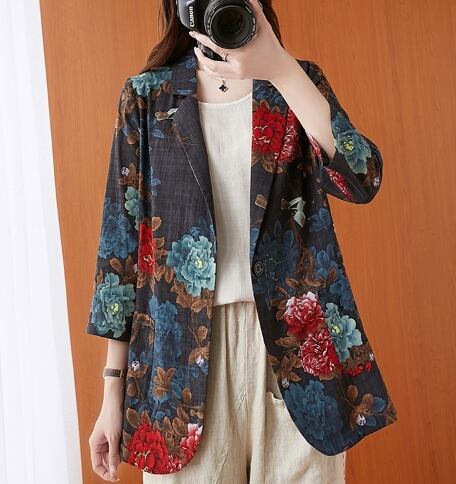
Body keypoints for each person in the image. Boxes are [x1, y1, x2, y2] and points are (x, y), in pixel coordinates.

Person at [87, 0, 397, 482]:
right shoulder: (147, 98)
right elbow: (120, 252)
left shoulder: (296, 84)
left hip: (295, 353)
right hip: (180, 363)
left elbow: (362, 179)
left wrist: (282, 70)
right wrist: (112, 392)